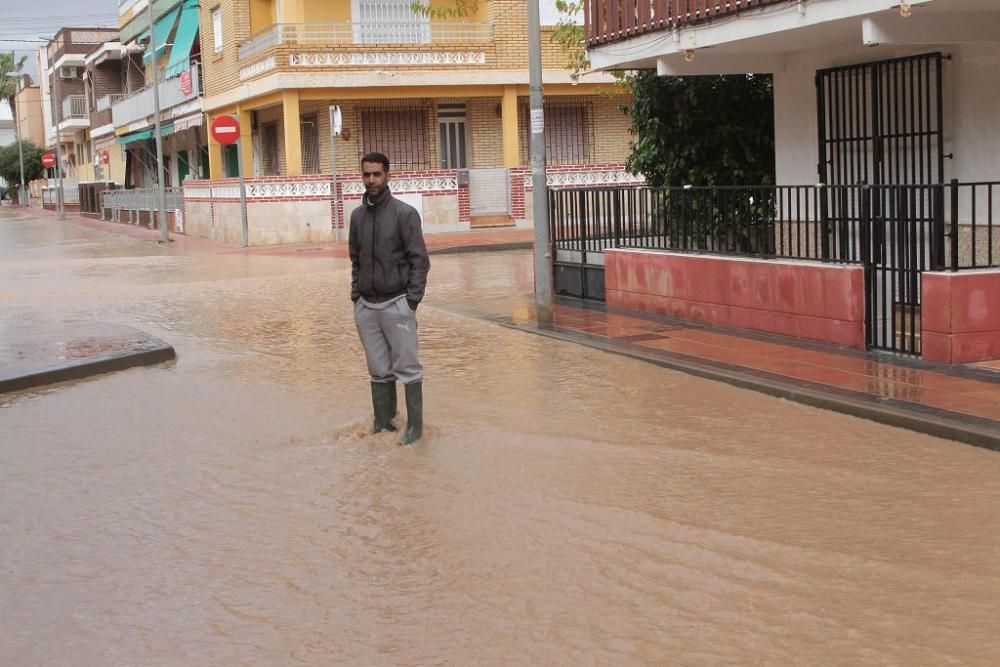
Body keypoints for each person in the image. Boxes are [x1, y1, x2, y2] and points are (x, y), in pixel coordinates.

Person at [349, 152, 430, 445]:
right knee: (378, 369)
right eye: (366, 174)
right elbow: (355, 259)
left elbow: (419, 261)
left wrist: (411, 302)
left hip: (398, 303)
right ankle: (384, 423)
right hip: (367, 306)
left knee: (408, 368)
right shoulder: (357, 216)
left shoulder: (404, 214)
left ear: (388, 175)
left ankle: (415, 430)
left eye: (376, 174)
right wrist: (356, 296)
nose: (371, 180)